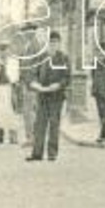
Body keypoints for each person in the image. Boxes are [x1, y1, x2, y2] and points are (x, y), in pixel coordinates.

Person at [26, 29, 70, 162]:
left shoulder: (63, 58)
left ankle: (52, 153)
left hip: (56, 96)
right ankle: (37, 153)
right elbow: (32, 74)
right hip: (42, 96)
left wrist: (58, 85)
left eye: (55, 43)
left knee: (54, 125)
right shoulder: (41, 58)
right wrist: (34, 84)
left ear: (59, 44)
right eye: (51, 43)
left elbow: (67, 77)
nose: (53, 45)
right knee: (39, 125)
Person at [0, 41, 20, 145]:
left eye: (5, 50)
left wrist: (6, 69)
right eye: (1, 50)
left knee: (10, 112)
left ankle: (13, 137)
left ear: (9, 51)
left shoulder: (13, 63)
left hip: (9, 88)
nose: (3, 53)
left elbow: (15, 78)